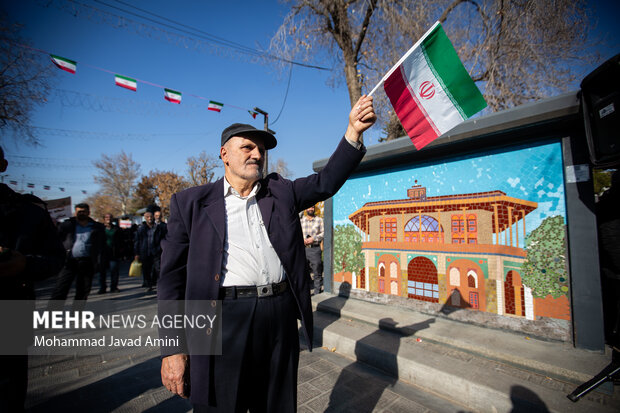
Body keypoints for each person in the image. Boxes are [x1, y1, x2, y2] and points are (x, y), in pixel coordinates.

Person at [158, 95, 376, 412]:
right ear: (224, 154)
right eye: (247, 147)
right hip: (221, 316)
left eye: (261, 150)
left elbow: (325, 182)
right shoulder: (191, 203)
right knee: (221, 403)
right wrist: (173, 348)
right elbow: (171, 281)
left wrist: (353, 133)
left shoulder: (280, 192)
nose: (257, 154)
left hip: (279, 312)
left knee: (277, 403)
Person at [0, 146, 65, 411]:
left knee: (9, 386)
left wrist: (24, 264)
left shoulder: (28, 212)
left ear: (3, 166)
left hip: (12, 308)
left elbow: (55, 259)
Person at [50, 203, 105, 308]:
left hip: (87, 262)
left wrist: (99, 261)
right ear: (75, 212)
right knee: (60, 289)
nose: (81, 213)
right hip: (69, 262)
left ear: (88, 212)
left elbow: (101, 245)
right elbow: (56, 240)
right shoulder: (67, 225)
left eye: (84, 211)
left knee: (83, 290)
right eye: (79, 211)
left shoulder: (97, 227)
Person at [134, 206, 165, 292]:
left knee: (158, 269)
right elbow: (137, 241)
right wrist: (136, 253)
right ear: (145, 218)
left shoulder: (158, 228)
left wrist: (160, 249)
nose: (150, 218)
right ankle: (148, 284)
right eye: (148, 217)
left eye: (151, 217)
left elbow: (162, 239)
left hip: (156, 252)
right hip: (145, 252)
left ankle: (159, 284)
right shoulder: (141, 229)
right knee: (146, 269)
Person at [301, 204, 324, 295]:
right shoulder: (301, 221)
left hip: (315, 249)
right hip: (303, 250)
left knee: (317, 272)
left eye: (312, 207)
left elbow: (324, 233)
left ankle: (317, 293)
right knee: (303, 272)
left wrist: (314, 238)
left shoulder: (319, 220)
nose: (311, 208)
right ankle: (306, 294)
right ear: (305, 209)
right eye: (309, 207)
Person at [98, 213, 123, 293]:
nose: (108, 218)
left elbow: (121, 240)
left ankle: (114, 287)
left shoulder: (117, 229)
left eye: (110, 217)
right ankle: (102, 287)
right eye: (106, 217)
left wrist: (121, 250)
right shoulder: (100, 228)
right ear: (104, 219)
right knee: (102, 272)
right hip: (103, 252)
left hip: (114, 253)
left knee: (114, 271)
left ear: (112, 219)